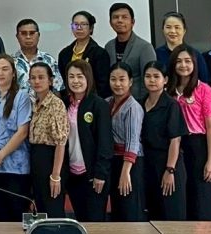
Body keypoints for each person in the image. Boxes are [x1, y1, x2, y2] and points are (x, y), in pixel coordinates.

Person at [168, 46, 211, 221]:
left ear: (194, 64)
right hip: (174, 146)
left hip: (198, 146)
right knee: (181, 197)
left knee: (201, 198)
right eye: (179, 61)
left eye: (187, 61)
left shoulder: (204, 89)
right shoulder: (168, 91)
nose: (183, 65)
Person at [0, 53, 32, 222]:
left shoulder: (22, 96)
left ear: (13, 73)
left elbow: (22, 132)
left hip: (16, 168)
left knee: (17, 216)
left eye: (5, 69)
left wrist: (0, 155)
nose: (0, 73)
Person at [61, 59, 112, 222]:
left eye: (80, 76)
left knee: (95, 223)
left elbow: (105, 142)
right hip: (72, 175)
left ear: (88, 78)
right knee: (80, 221)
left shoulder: (99, 105)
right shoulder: (63, 103)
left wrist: (100, 174)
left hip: (93, 175)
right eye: (71, 77)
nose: (75, 81)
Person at [140, 61, 187, 221]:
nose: (152, 80)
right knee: (153, 214)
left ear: (165, 80)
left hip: (168, 163)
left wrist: (170, 170)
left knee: (172, 214)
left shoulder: (171, 105)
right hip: (148, 164)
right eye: (148, 76)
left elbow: (175, 140)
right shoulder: (140, 103)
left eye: (156, 76)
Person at [27, 62, 69, 217]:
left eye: (41, 77)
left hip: (51, 159)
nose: (36, 81)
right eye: (33, 78)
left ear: (50, 80)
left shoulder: (56, 104)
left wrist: (55, 175)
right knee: (41, 209)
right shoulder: (35, 103)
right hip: (36, 158)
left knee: (53, 208)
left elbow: (60, 142)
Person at [107, 63, 145, 222]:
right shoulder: (107, 102)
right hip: (113, 160)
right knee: (117, 206)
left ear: (130, 82)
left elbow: (133, 141)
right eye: (113, 79)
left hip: (130, 163)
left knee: (129, 207)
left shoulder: (133, 107)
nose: (117, 84)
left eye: (122, 79)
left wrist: (125, 172)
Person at [104, 3, 157, 103]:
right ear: (110, 22)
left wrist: (143, 103)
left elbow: (149, 79)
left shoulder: (145, 47)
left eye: (124, 17)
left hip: (137, 102)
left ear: (132, 22)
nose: (120, 20)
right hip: (113, 102)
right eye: (115, 17)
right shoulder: (108, 46)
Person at [58, 11, 112, 99]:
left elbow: (102, 85)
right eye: (75, 24)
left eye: (83, 24)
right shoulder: (64, 53)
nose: (79, 28)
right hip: (70, 100)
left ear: (91, 28)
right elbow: (63, 81)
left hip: (93, 100)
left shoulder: (100, 53)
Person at [155, 12, 210, 84]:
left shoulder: (195, 54)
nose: (172, 31)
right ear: (163, 30)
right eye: (168, 27)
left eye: (177, 27)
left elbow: (204, 82)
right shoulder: (156, 54)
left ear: (184, 30)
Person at [13, 18, 64, 94]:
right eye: (23, 33)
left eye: (32, 33)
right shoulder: (11, 62)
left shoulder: (49, 60)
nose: (28, 37)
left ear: (38, 35)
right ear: (17, 36)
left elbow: (57, 90)